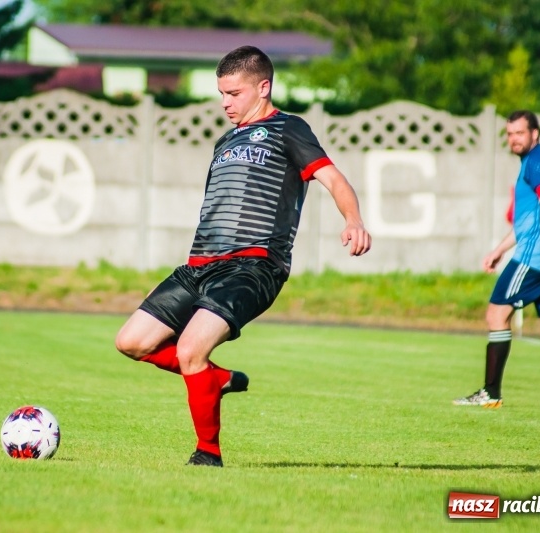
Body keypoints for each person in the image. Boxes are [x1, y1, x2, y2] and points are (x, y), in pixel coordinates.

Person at [115, 45, 372, 467]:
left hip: (253, 266)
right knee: (131, 342)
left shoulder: (290, 129)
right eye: (221, 93)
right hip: (199, 265)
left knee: (192, 349)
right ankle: (213, 379)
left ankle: (207, 453)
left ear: (263, 88)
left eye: (233, 93)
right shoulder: (225, 140)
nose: (224, 103)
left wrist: (354, 219)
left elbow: (333, 177)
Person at [453, 110, 540, 410]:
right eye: (510, 134)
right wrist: (499, 249)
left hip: (535, 257)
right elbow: (529, 221)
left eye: (519, 133)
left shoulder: (537, 163)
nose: (514, 139)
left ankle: (491, 393)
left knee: (496, 314)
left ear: (534, 133)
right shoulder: (539, 160)